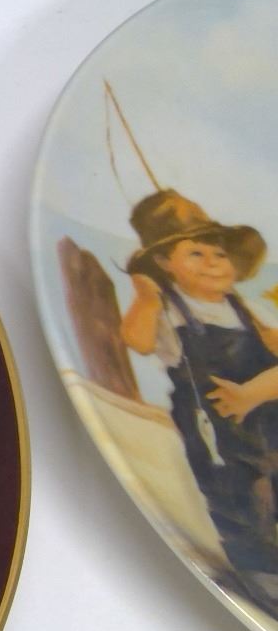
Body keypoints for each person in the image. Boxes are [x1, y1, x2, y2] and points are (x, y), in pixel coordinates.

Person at [119, 189, 278, 607]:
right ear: (163, 263)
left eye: (220, 254)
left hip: (268, 416)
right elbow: (137, 340)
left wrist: (255, 390)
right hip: (218, 430)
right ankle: (261, 575)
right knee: (240, 498)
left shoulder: (243, 309)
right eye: (196, 254)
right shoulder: (170, 309)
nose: (212, 263)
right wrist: (146, 297)